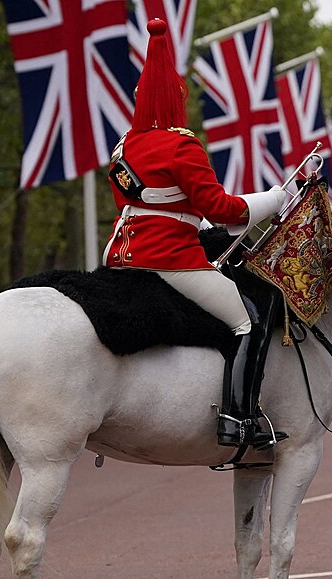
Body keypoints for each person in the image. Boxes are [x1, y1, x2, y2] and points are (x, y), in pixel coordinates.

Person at [102, 20, 291, 452]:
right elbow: (223, 210)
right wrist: (273, 198)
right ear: (177, 99)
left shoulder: (124, 146)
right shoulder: (182, 146)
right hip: (171, 259)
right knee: (249, 321)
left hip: (122, 253)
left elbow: (151, 201)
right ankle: (237, 418)